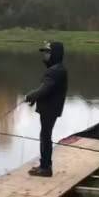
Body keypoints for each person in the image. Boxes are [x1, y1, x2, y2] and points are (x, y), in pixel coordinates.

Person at [25, 41, 68, 178]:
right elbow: (47, 91)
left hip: (50, 109)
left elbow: (45, 89)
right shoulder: (57, 69)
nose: (45, 55)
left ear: (54, 54)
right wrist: (35, 99)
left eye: (47, 52)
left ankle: (45, 168)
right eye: (44, 52)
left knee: (45, 136)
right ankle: (44, 165)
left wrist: (31, 95)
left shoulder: (55, 71)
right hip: (51, 108)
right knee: (45, 135)